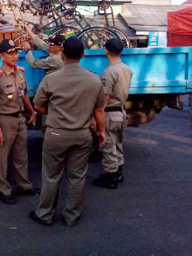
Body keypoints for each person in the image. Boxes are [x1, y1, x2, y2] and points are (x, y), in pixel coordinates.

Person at [29, 37, 106, 227]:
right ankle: (72, 216)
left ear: (62, 56)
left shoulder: (51, 79)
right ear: (82, 55)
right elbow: (99, 111)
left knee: (51, 176)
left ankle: (45, 214)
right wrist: (102, 132)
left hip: (55, 134)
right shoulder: (94, 80)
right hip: (82, 135)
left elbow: (38, 106)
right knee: (77, 177)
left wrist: (55, 112)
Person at [0, 39, 40, 205]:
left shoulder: (19, 73)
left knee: (21, 155)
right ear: (1, 56)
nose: (14, 56)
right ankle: (4, 189)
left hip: (19, 119)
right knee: (2, 157)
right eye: (10, 53)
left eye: (16, 53)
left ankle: (24, 185)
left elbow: (23, 95)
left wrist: (32, 111)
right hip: (5, 120)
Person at [93, 38, 133, 190]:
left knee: (108, 144)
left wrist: (97, 116)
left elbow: (105, 97)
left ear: (106, 51)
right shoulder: (126, 69)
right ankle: (118, 170)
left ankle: (111, 176)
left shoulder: (109, 72)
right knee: (118, 143)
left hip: (110, 112)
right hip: (121, 111)